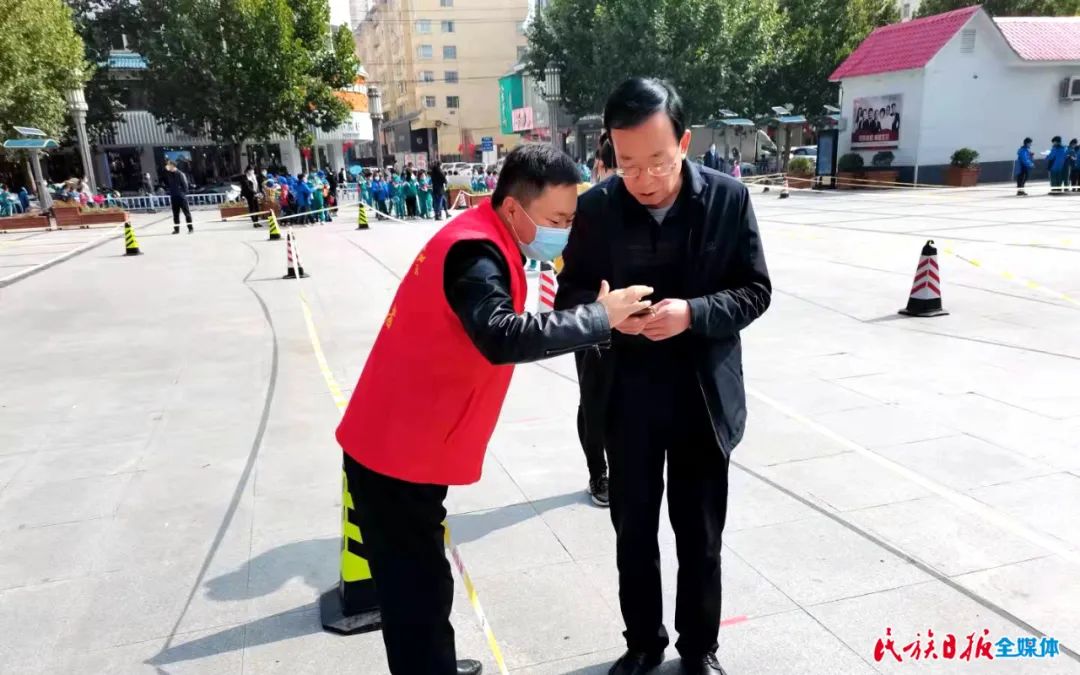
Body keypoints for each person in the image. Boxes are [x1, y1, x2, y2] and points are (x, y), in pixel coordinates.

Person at [335, 143, 654, 675]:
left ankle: (433, 664)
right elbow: (502, 334)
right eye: (556, 220)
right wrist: (600, 317)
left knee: (423, 580)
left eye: (571, 220)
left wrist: (607, 321)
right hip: (393, 452)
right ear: (513, 208)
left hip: (409, 442)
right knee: (415, 592)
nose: (565, 232)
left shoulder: (488, 236)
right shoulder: (474, 252)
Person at [556, 78, 771, 675]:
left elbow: (755, 291)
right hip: (627, 397)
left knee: (700, 534)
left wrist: (693, 313)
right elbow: (570, 296)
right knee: (633, 533)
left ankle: (699, 648)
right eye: (627, 164)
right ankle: (643, 643)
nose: (643, 178)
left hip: (702, 396)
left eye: (657, 161)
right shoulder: (597, 209)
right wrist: (606, 316)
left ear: (683, 141)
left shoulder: (727, 199)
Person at [577, 132, 618, 508]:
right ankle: (597, 472)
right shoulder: (586, 208)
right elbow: (567, 278)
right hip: (592, 323)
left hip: (634, 327)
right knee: (592, 401)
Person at [164, 160, 193, 234]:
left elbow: (185, 185)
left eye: (168, 165)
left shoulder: (180, 174)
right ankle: (176, 229)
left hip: (181, 197)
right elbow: (165, 176)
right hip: (174, 196)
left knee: (186, 213)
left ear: (172, 165)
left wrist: (182, 193)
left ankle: (190, 228)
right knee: (175, 214)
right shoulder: (169, 174)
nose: (167, 166)